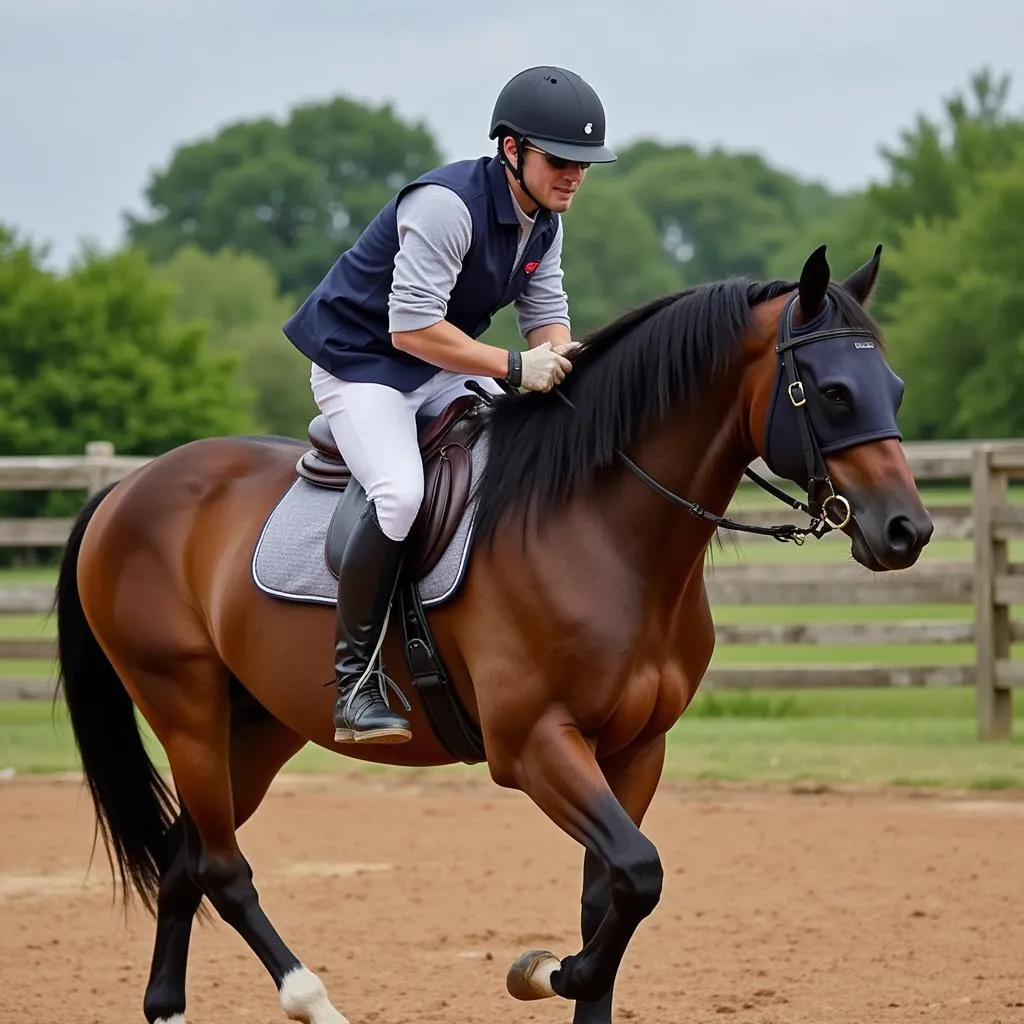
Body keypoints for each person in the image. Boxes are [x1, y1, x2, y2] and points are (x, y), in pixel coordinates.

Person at [282, 65, 617, 745]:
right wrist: (519, 367)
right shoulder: (446, 205)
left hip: (436, 365)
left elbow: (546, 315)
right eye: (561, 160)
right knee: (401, 495)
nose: (574, 175)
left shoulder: (542, 219)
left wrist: (562, 363)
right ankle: (354, 682)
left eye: (584, 164)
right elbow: (409, 328)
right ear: (511, 150)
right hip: (363, 365)